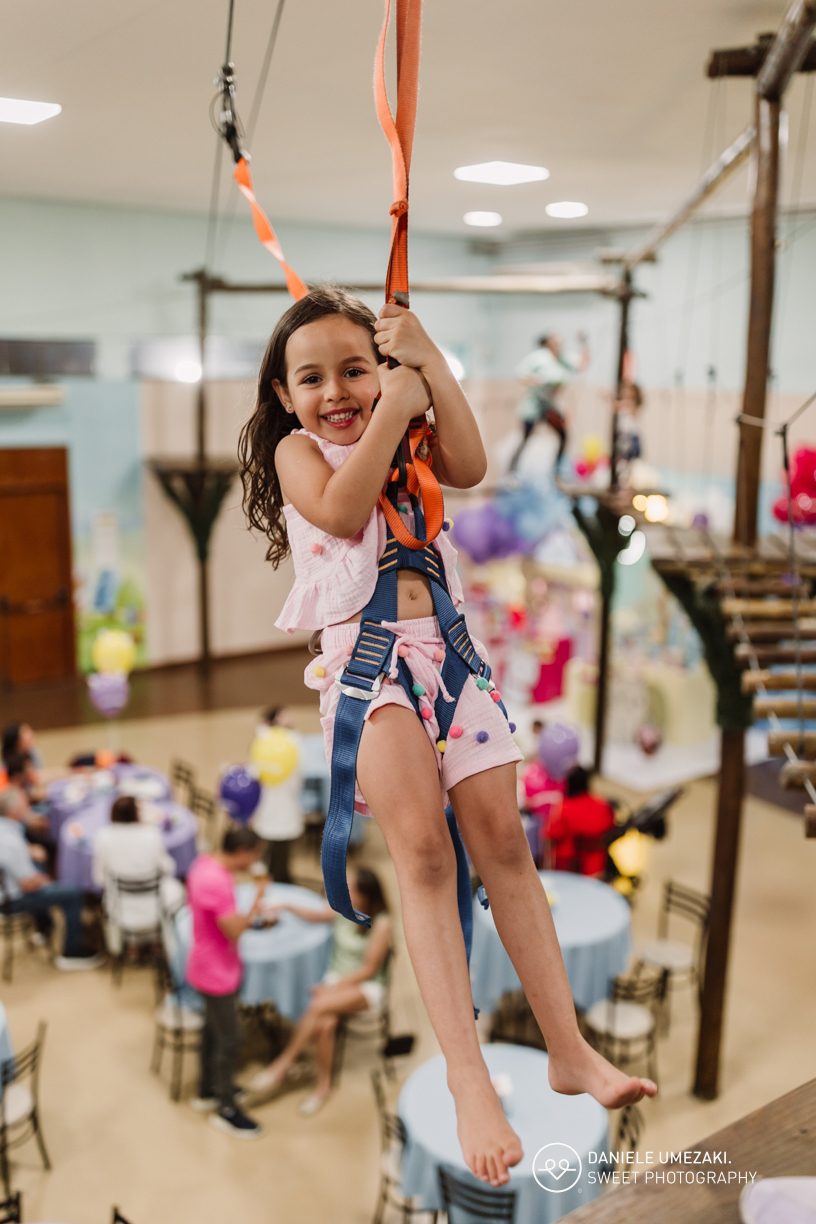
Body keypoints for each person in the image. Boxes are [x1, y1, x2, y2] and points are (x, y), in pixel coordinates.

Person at [238, 285, 655, 1188]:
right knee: (425, 854)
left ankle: (568, 1048)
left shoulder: (408, 417)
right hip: (368, 664)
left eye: (356, 366)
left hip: (454, 652)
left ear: (382, 364)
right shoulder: (300, 451)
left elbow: (466, 461)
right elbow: (347, 512)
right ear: (282, 395)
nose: (336, 390)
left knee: (505, 845)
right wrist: (393, 399)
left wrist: (429, 363)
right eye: (312, 378)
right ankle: (469, 1081)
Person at [249, 866, 391, 1114]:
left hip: (364, 987)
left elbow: (369, 970)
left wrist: (332, 987)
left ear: (365, 895)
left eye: (349, 888)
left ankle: (282, 1065)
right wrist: (286, 906)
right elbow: (315, 915)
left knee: (319, 1005)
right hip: (336, 981)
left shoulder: (381, 924)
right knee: (325, 1024)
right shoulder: (342, 907)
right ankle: (322, 1086)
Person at [186, 826, 265, 1138]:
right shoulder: (217, 881)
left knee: (212, 1031)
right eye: (255, 855)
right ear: (242, 853)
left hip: (206, 961)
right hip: (215, 971)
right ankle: (226, 1108)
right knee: (230, 1038)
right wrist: (256, 900)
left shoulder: (203, 864)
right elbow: (233, 930)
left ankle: (208, 1088)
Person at [0, 808, 102, 969]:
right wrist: (48, 882)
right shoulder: (9, 841)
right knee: (72, 893)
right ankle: (72, 951)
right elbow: (28, 883)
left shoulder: (7, 830)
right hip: (14, 900)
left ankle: (43, 926)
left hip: (12, 890)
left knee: (39, 866)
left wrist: (30, 851)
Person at [92, 795, 179, 956]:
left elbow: (99, 879)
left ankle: (133, 945)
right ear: (136, 814)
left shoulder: (103, 837)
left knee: (115, 894)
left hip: (120, 908)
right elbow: (169, 868)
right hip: (154, 908)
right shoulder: (151, 835)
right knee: (176, 891)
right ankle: (155, 942)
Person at [509, 332, 589, 472]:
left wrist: (583, 343)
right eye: (554, 338)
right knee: (526, 438)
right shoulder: (539, 357)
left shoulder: (562, 357)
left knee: (563, 436)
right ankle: (512, 471)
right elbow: (519, 373)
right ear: (546, 342)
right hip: (534, 405)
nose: (558, 340)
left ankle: (556, 470)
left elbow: (581, 364)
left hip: (550, 406)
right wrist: (537, 380)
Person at [250, 706, 304, 884]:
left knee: (275, 848)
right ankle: (277, 879)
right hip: (279, 805)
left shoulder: (263, 741)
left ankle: (274, 876)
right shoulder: (293, 741)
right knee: (277, 849)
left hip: (277, 805)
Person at [545, 766, 615, 877]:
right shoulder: (602, 805)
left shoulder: (563, 808)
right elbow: (610, 828)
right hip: (596, 867)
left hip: (569, 868)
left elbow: (551, 835)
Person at [1, 753, 58, 874]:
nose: (32, 772)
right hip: (20, 837)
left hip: (21, 831)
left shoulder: (19, 789)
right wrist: (27, 849)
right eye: (28, 769)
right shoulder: (11, 795)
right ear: (18, 776)